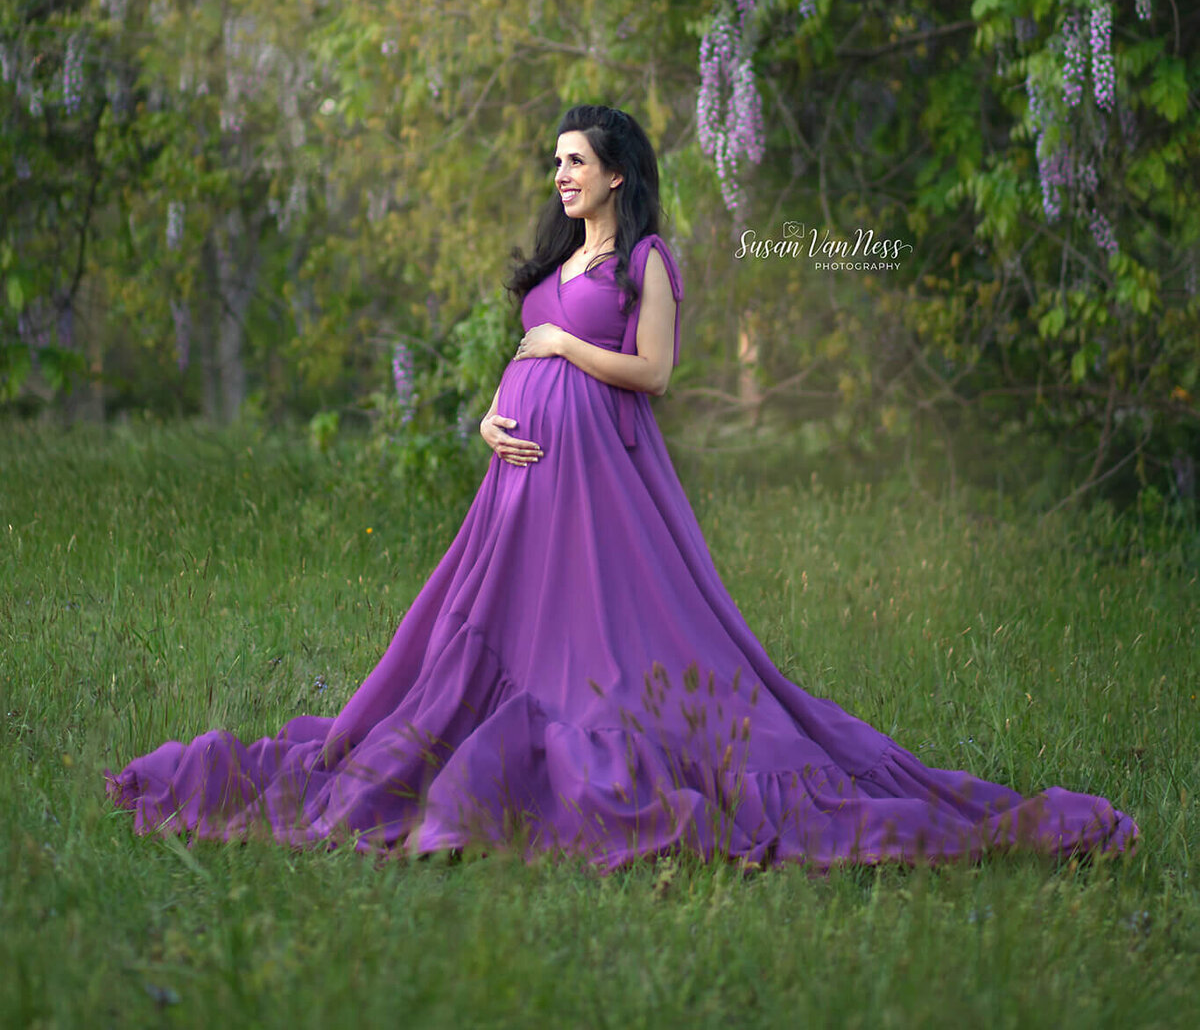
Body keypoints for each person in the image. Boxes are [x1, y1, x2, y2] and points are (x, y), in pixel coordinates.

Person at [106, 104, 1138, 869]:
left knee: (601, 654)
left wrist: (557, 343)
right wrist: (491, 407)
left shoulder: (648, 260)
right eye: (554, 161)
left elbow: (653, 373)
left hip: (601, 489)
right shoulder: (557, 261)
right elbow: (525, 362)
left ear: (615, 175)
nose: (557, 175)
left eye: (574, 162)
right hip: (517, 498)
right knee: (480, 653)